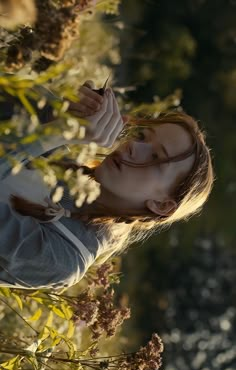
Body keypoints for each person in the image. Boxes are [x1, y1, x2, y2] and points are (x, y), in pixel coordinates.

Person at [0, 80, 214, 289]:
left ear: (162, 205)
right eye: (141, 137)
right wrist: (56, 111)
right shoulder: (62, 162)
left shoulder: (65, 258)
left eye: (156, 157)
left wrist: (58, 133)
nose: (133, 147)